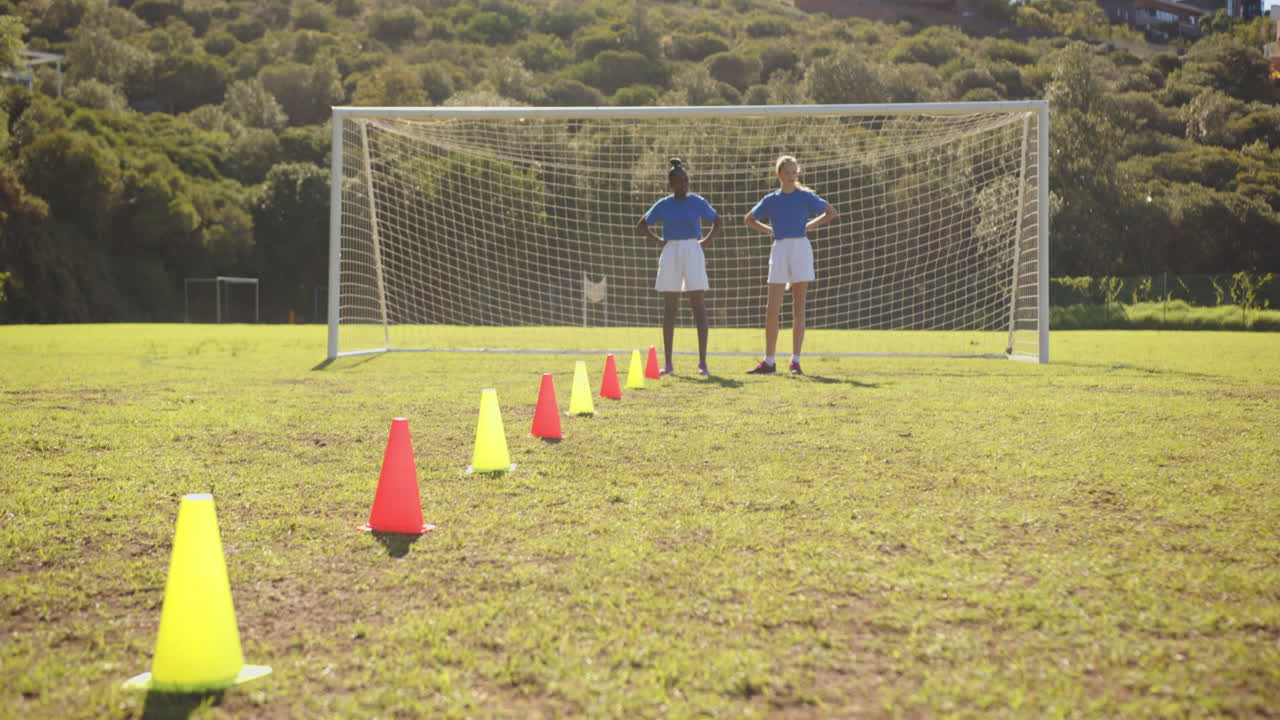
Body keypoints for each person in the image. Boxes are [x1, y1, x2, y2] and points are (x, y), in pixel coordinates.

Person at [743, 154, 838, 375]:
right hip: (779, 249)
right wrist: (769, 231)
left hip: (801, 250)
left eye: (794, 172)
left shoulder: (805, 197)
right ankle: (769, 362)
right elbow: (749, 219)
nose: (791, 176)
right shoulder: (771, 199)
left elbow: (831, 212)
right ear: (779, 175)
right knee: (771, 310)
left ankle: (795, 361)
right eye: (787, 172)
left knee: (799, 307)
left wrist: (808, 227)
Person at [636, 157, 722, 376]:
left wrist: (707, 242)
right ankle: (669, 364)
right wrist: (658, 241)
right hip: (671, 251)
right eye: (678, 181)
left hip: (693, 250)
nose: (683, 185)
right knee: (670, 308)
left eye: (685, 180)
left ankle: (703, 363)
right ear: (671, 184)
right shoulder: (664, 204)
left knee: (698, 306)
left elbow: (717, 220)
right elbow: (642, 225)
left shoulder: (697, 201)